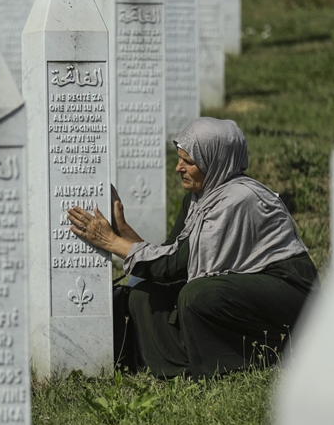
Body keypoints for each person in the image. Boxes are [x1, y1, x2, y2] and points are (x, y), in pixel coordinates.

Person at [67, 117, 319, 379]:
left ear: (214, 160)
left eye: (188, 161)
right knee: (144, 293)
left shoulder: (239, 200)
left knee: (197, 295)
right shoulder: (200, 198)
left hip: (287, 293)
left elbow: (177, 264)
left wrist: (111, 242)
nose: (178, 168)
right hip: (244, 286)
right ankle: (176, 366)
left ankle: (267, 354)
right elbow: (170, 254)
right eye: (179, 159)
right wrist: (122, 230)